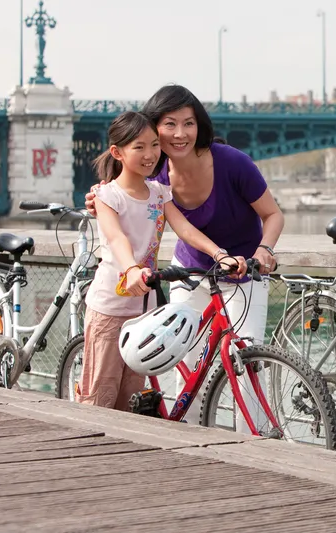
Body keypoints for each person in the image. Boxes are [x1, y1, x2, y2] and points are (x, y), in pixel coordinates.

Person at [84, 85, 284, 425]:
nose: (180, 134)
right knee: (185, 359)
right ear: (152, 129)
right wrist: (99, 200)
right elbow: (125, 194)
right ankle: (185, 436)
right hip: (189, 272)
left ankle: (258, 442)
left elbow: (274, 214)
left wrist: (263, 251)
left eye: (189, 123)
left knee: (245, 356)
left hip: (241, 271)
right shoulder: (156, 170)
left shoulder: (233, 163)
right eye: (169, 125)